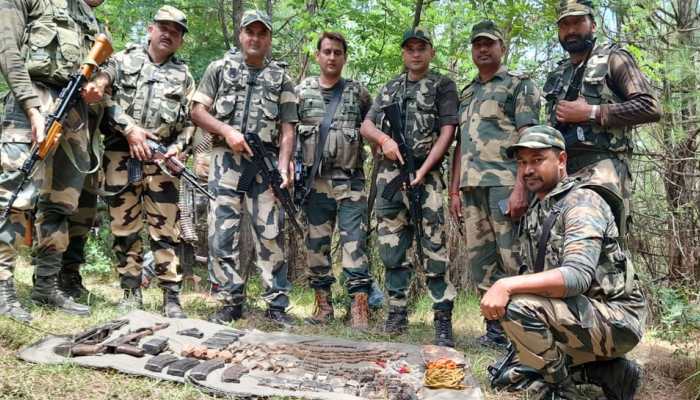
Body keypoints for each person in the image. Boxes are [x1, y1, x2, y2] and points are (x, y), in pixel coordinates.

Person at [482, 125, 646, 400]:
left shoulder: (583, 201)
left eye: (537, 160)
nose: (527, 170)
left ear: (561, 161)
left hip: (616, 318)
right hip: (578, 313)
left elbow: (576, 276)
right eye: (522, 162)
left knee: (515, 306)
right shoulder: (539, 207)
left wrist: (506, 285)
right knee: (508, 379)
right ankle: (610, 373)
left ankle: (565, 391)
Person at [0, 0, 110, 319]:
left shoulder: (88, 14)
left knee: (61, 204)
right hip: (30, 102)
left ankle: (46, 287)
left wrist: (98, 83)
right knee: (14, 198)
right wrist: (31, 107)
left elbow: (108, 63)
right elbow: (7, 50)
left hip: (74, 111)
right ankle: (3, 287)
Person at [190, 10, 298, 326]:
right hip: (225, 162)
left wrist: (282, 167)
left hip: (264, 165)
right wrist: (227, 131)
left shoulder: (281, 78)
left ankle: (276, 305)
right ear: (241, 35)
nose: (255, 38)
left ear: (269, 39)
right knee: (221, 232)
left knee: (270, 233)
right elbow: (198, 111)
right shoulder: (219, 69)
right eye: (250, 32)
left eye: (261, 33)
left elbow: (288, 128)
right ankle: (229, 301)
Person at [360, 27, 457, 346]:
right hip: (391, 177)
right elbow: (367, 125)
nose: (415, 54)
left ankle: (442, 319)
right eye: (410, 49)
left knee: (434, 248)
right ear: (403, 53)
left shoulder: (443, 85)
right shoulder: (389, 88)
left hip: (426, 177)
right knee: (391, 249)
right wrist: (385, 140)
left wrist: (426, 168)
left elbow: (447, 132)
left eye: (421, 48)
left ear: (431, 52)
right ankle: (396, 314)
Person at [448, 20, 541, 348]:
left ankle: (526, 333)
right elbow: (461, 144)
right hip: (472, 189)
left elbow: (529, 140)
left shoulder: (519, 84)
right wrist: (454, 190)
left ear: (502, 47)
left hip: (505, 184)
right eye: (477, 45)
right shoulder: (468, 92)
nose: (483, 49)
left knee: (513, 258)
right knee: (481, 263)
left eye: (489, 43)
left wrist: (521, 188)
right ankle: (496, 334)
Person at [98, 5, 195, 318]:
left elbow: (191, 121)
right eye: (164, 27)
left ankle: (171, 296)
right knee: (124, 228)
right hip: (120, 154)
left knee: (166, 230)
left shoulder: (184, 76)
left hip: (162, 162)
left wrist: (180, 148)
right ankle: (130, 292)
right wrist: (130, 130)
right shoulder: (121, 60)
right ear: (151, 29)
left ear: (180, 40)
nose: (169, 33)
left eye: (176, 31)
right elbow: (101, 95)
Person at [543, 0, 660, 232]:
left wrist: (591, 112)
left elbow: (650, 106)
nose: (571, 30)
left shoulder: (614, 59)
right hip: (564, 172)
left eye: (578, 22)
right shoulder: (558, 73)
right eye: (565, 25)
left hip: (605, 167)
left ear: (593, 25)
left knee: (607, 246)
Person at [295, 32, 373, 329]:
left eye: (337, 52)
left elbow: (372, 128)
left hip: (351, 182)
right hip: (315, 184)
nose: (331, 57)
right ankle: (323, 306)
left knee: (356, 245)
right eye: (326, 51)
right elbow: (287, 132)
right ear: (318, 56)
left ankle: (359, 308)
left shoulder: (358, 92)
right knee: (317, 246)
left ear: (344, 57)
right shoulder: (301, 92)